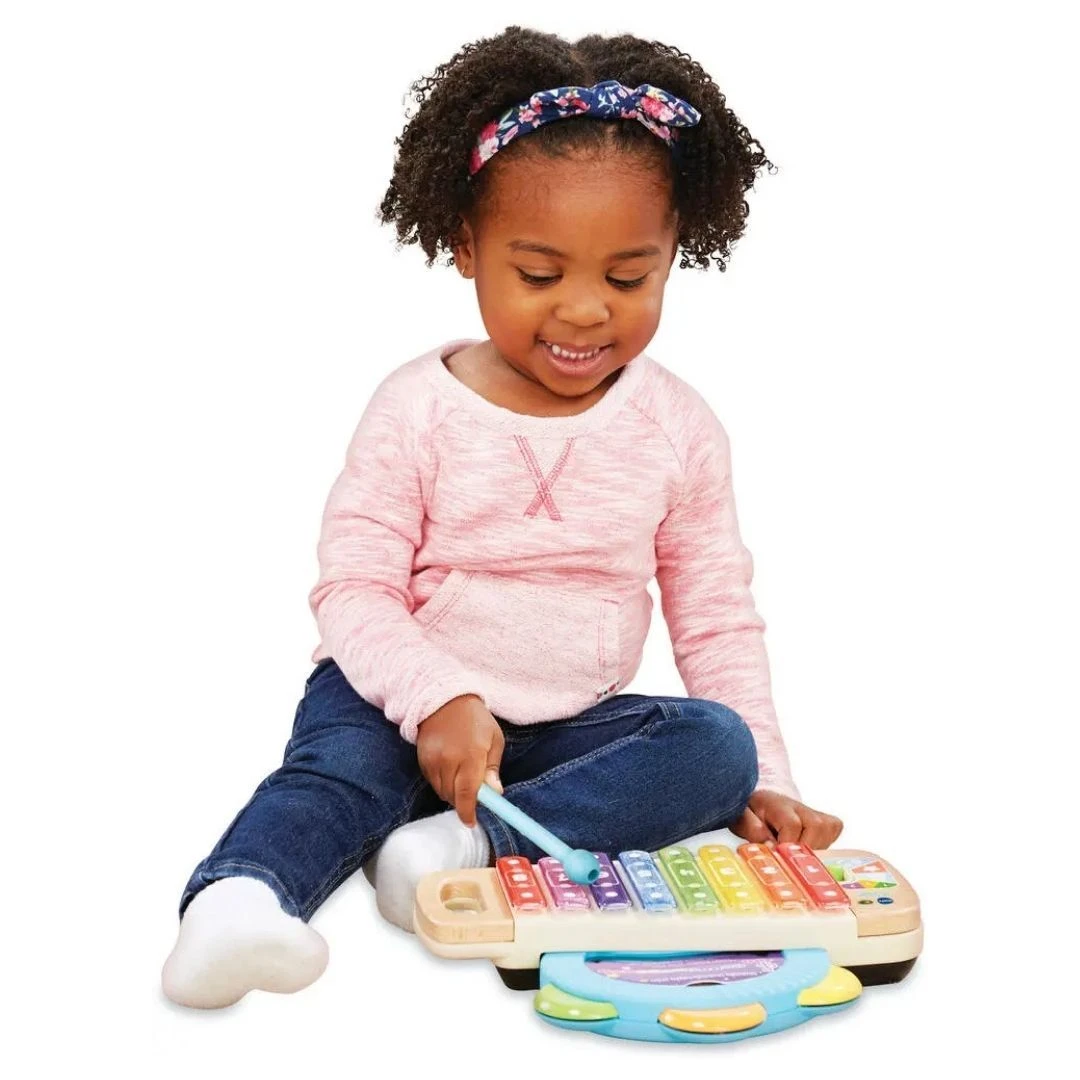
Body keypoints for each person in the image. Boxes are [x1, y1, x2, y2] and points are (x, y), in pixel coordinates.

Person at [162, 25, 844, 1010]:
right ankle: (237, 907)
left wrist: (769, 776)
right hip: (391, 698)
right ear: (466, 248)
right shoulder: (417, 408)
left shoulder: (678, 429)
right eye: (539, 274)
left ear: (672, 257)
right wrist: (436, 697)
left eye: (627, 278)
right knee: (337, 778)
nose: (584, 311)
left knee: (715, 750)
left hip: (558, 735)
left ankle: (461, 846)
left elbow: (715, 616)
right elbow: (353, 588)